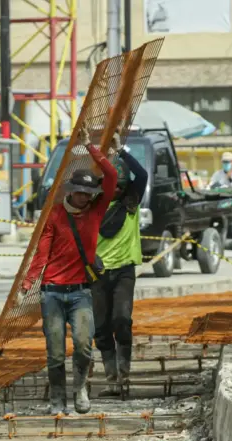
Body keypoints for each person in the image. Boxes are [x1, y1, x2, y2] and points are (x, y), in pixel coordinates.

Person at [20, 125, 119, 415]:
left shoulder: (96, 211)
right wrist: (27, 286)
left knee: (84, 346)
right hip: (52, 293)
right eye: (82, 192)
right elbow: (42, 254)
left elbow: (111, 177)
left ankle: (80, 389)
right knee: (55, 353)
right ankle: (57, 400)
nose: (86, 197)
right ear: (72, 191)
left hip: (80, 293)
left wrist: (92, 148)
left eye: (90, 193)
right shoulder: (55, 216)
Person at [92, 142, 149, 396]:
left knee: (122, 320)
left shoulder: (131, 203)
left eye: (118, 185)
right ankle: (112, 379)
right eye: (110, 185)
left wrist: (123, 151)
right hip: (98, 273)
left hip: (124, 270)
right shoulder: (94, 206)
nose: (114, 190)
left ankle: (124, 376)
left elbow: (143, 175)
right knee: (101, 327)